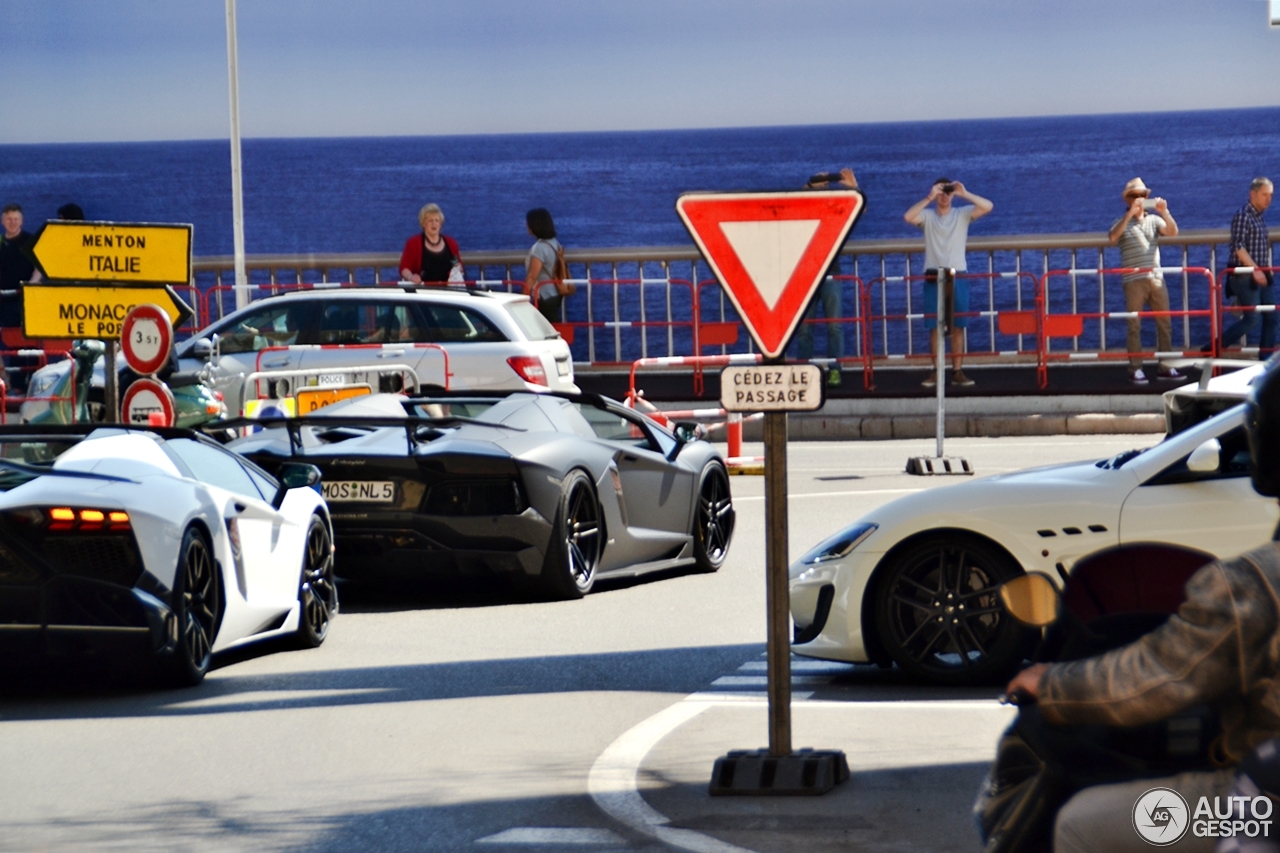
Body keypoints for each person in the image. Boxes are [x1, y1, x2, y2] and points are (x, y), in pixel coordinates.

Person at [1004, 363, 1280, 853]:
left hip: (1266, 806)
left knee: (1079, 823)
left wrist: (1050, 684)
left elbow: (1153, 680)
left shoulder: (1252, 583)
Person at [903, 177, 993, 387]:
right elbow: (908, 216)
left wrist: (964, 192)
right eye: (941, 192)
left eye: (948, 192)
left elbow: (988, 206)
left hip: (958, 275)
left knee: (958, 326)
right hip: (934, 276)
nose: (944, 196)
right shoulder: (927, 216)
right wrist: (929, 196)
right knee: (935, 327)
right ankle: (936, 371)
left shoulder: (961, 215)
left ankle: (957, 371)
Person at [1108, 177, 1182, 384]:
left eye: (1142, 196)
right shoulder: (1120, 222)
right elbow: (1113, 237)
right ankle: (1135, 368)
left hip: (1156, 278)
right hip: (1133, 280)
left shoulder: (1154, 220)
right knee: (1134, 326)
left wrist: (1164, 211)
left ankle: (1166, 366)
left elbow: (1173, 232)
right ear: (1128, 200)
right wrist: (1130, 215)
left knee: (1165, 324)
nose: (1138, 199)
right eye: (1134, 196)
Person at [795, 167, 859, 386]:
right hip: (806, 275)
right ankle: (804, 371)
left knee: (834, 326)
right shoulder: (804, 210)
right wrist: (810, 185)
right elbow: (792, 203)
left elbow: (859, 209)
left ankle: (835, 369)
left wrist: (853, 187)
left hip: (831, 273)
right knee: (804, 328)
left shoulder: (834, 210)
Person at [1219, 177, 1274, 358]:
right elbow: (1237, 246)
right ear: (1253, 194)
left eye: (1271, 195)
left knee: (1272, 317)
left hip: (1261, 273)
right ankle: (1213, 348)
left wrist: (1266, 268)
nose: (1269, 199)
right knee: (1253, 319)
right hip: (1245, 275)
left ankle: (1265, 360)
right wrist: (1255, 269)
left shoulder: (1258, 217)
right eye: (1265, 194)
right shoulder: (1243, 215)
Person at [0, 203, 41, 393]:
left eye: (16, 219)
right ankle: (16, 386)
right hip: (4, 302)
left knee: (30, 344)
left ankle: (34, 382)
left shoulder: (29, 241)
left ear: (22, 221)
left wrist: (31, 285)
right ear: (3, 221)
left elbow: (40, 266)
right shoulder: (0, 242)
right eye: (9, 219)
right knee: (11, 342)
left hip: (25, 301)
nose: (12, 222)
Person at [398, 203, 462, 285]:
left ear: (440, 224)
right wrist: (411, 277)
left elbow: (458, 264)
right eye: (430, 220)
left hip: (449, 291)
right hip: (423, 292)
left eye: (437, 220)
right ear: (423, 224)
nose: (434, 223)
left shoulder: (451, 243)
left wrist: (458, 268)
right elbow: (404, 268)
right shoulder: (413, 243)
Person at [524, 208, 566, 325]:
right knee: (552, 325)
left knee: (545, 329)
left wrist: (522, 297)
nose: (526, 225)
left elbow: (532, 276)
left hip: (544, 296)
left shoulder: (539, 248)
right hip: (555, 293)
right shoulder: (554, 243)